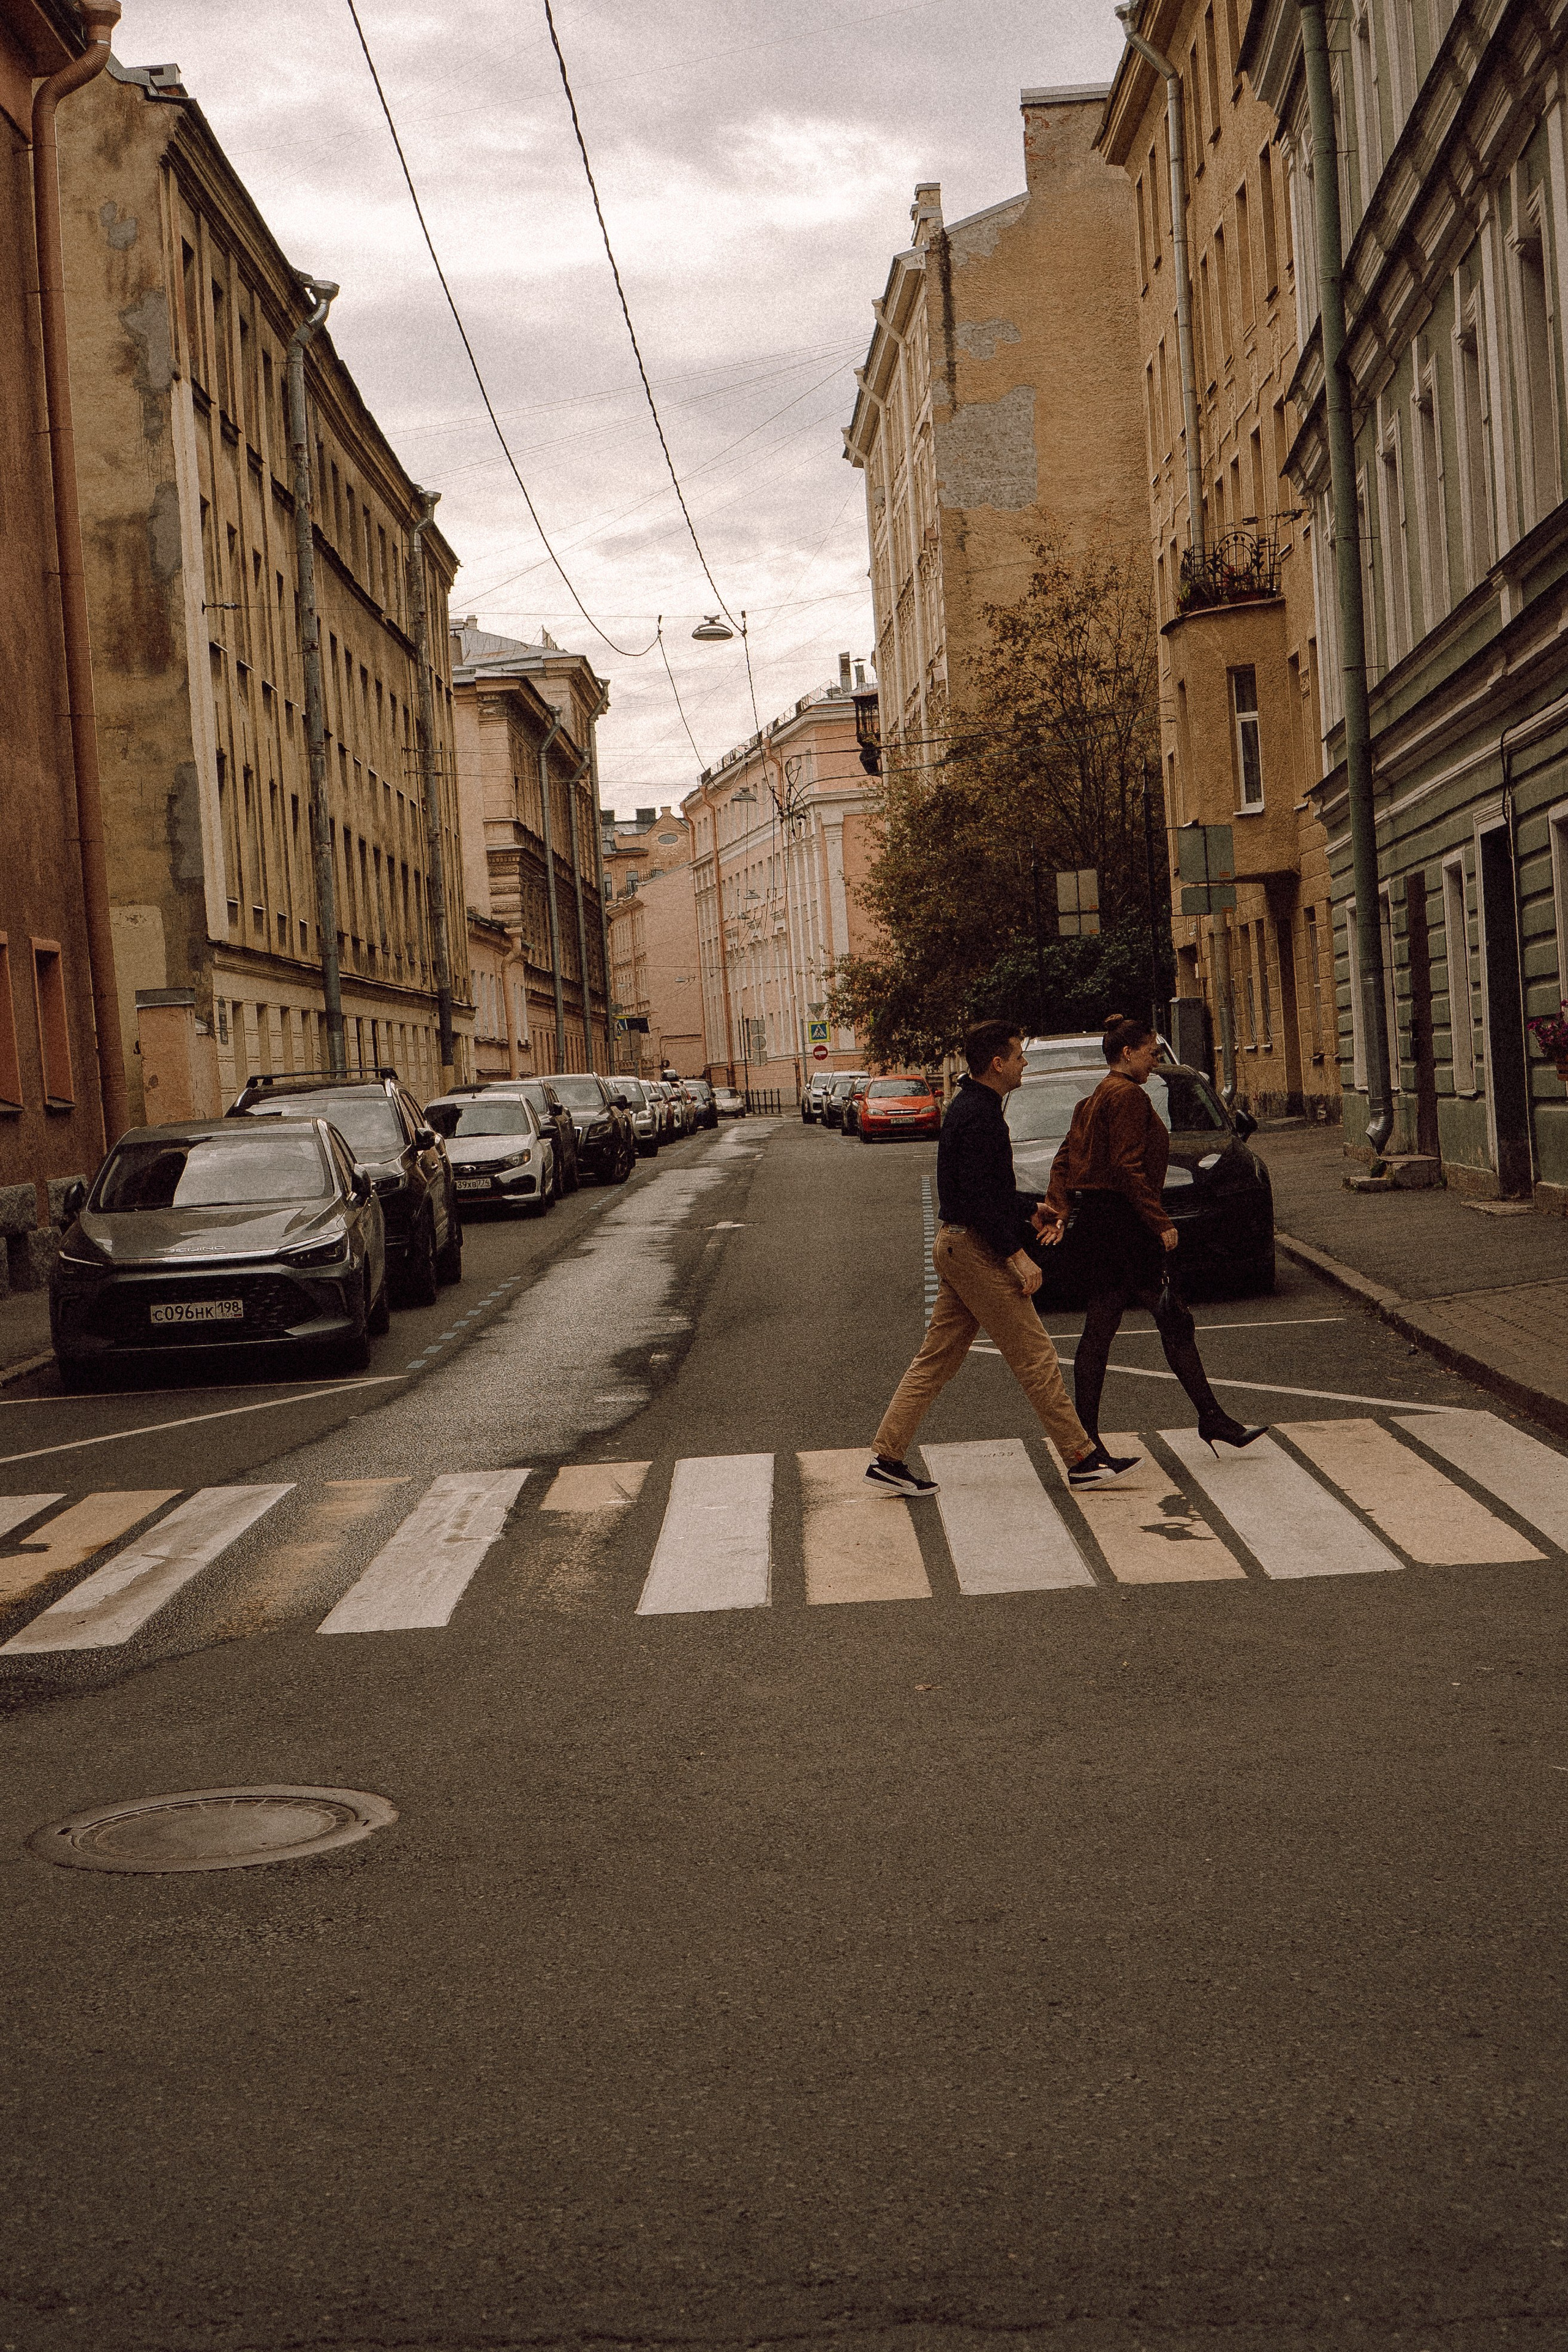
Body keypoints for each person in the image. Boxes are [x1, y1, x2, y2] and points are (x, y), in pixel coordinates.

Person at [867, 1019, 1139, 1497]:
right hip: (973, 1248)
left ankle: (888, 1457)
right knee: (1035, 1356)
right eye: (1018, 1056)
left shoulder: (973, 1106)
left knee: (937, 1359)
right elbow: (977, 1199)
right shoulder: (981, 1116)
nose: (1024, 1063)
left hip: (958, 1241)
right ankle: (1082, 1459)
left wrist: (1027, 1208)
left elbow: (984, 1192)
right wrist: (1018, 1256)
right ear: (997, 1063)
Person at [1036, 1014, 1265, 1456]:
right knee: (1157, 1319)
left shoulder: (1096, 1097)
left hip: (1103, 1222)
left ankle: (1202, 1419)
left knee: (1123, 1324)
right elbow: (1127, 1165)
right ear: (1127, 1053)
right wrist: (1160, 1221)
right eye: (1151, 1052)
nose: (1156, 1060)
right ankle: (1203, 1420)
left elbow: (1064, 1159)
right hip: (1123, 1222)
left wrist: (1060, 1209)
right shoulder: (1127, 1097)